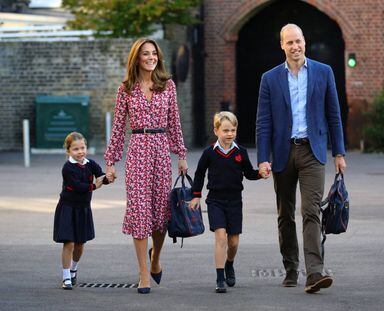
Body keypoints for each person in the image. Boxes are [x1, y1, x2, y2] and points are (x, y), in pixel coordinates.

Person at [256, 23, 347, 294]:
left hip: (313, 151)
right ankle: (291, 268)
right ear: (282, 46)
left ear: (304, 42)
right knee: (285, 215)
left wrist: (339, 152)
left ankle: (315, 273)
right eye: (289, 43)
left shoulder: (323, 72)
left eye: (298, 41)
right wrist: (263, 158)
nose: (295, 47)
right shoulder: (269, 78)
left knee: (311, 211)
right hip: (283, 153)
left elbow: (334, 114)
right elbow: (263, 122)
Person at [104, 38, 188, 294]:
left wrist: (181, 154)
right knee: (140, 212)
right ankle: (143, 273)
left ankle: (155, 259)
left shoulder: (168, 86)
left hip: (161, 150)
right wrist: (110, 162)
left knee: (161, 215)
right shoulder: (125, 89)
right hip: (138, 150)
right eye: (145, 54)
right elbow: (118, 128)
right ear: (136, 59)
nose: (151, 57)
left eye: (154, 53)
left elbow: (174, 122)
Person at [189, 111, 264, 293]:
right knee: (221, 237)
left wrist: (260, 174)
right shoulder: (209, 153)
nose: (229, 134)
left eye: (233, 130)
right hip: (215, 201)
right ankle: (220, 277)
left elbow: (248, 173)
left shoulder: (241, 153)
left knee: (233, 242)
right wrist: (196, 194)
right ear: (216, 131)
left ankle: (229, 263)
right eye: (225, 130)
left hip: (235, 202)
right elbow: (199, 174)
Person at [53, 132, 109, 290]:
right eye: (76, 149)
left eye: (82, 148)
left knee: (80, 244)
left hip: (83, 209)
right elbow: (77, 187)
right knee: (68, 243)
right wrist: (94, 186)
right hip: (68, 208)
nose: (80, 152)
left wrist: (108, 178)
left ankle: (73, 269)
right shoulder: (68, 168)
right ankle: (65, 277)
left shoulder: (90, 163)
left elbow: (101, 175)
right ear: (68, 151)